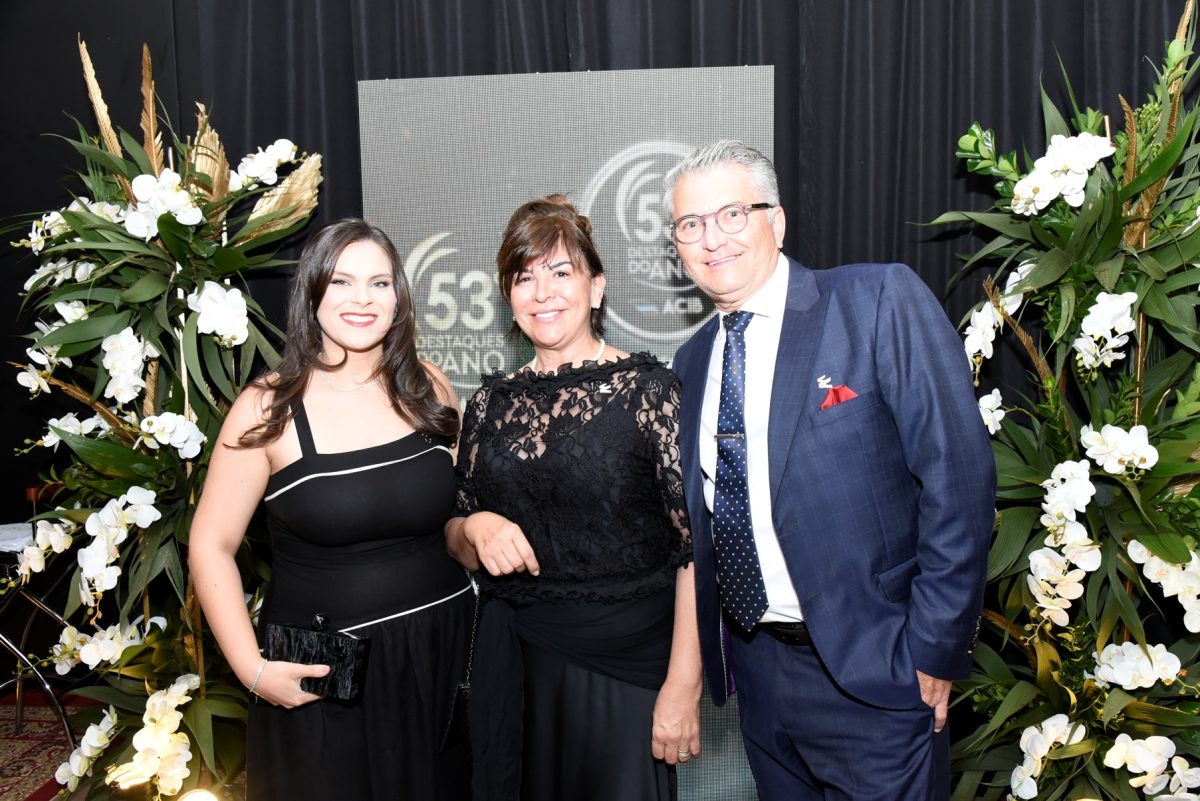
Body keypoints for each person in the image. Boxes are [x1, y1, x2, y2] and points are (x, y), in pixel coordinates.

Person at [664, 140, 996, 800]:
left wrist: (933, 646)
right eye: (690, 224)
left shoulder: (875, 300)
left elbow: (958, 479)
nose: (712, 239)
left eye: (732, 214)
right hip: (760, 677)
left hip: (878, 672)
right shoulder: (691, 361)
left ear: (777, 221)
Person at [189, 219, 473, 801]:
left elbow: (458, 513)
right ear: (312, 293)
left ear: (399, 297)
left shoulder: (430, 387)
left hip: (443, 656)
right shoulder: (267, 407)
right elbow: (210, 544)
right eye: (341, 282)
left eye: (379, 283)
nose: (362, 299)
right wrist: (251, 669)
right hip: (328, 677)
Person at [445, 194, 701, 801]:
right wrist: (474, 527)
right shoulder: (488, 404)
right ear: (508, 296)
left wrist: (683, 685)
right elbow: (454, 535)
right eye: (524, 277)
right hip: (516, 669)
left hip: (626, 670)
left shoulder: (650, 392)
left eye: (561, 272)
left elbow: (694, 549)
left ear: (597, 287)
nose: (543, 293)